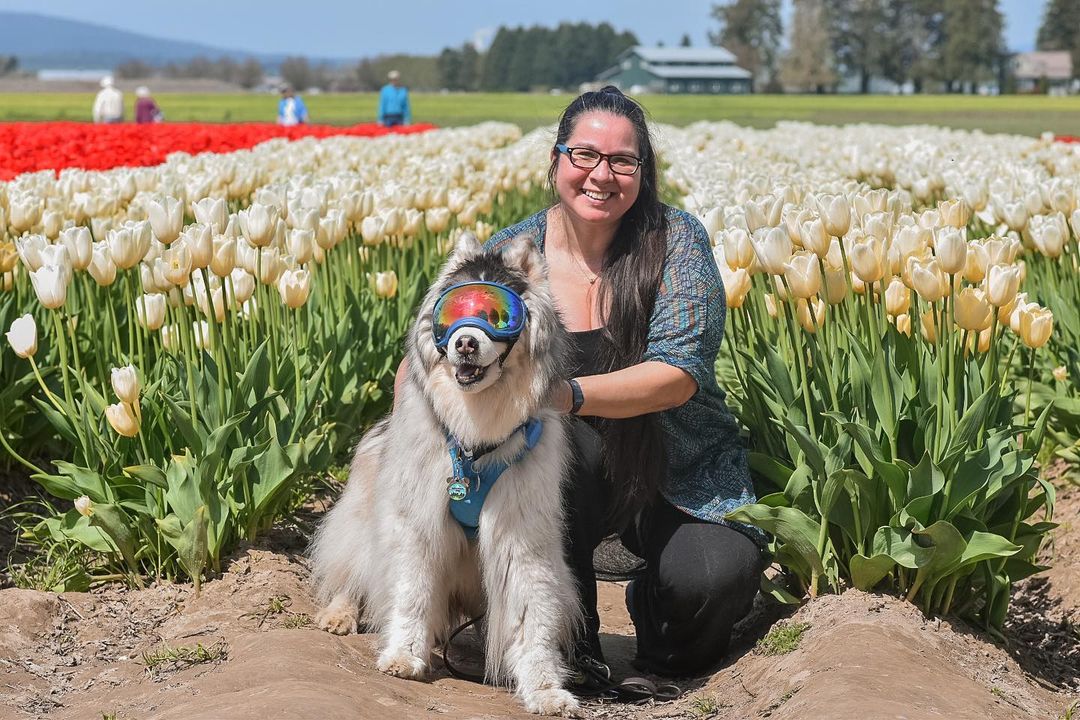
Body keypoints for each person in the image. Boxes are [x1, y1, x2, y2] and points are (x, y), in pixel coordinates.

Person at [482, 86, 764, 680]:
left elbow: (677, 375)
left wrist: (564, 395)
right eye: (584, 155)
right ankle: (567, 643)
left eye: (622, 161)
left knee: (712, 579)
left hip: (675, 467)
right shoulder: (510, 258)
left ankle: (656, 626)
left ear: (643, 171)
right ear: (556, 160)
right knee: (561, 450)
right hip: (556, 478)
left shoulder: (675, 242)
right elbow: (440, 335)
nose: (601, 175)